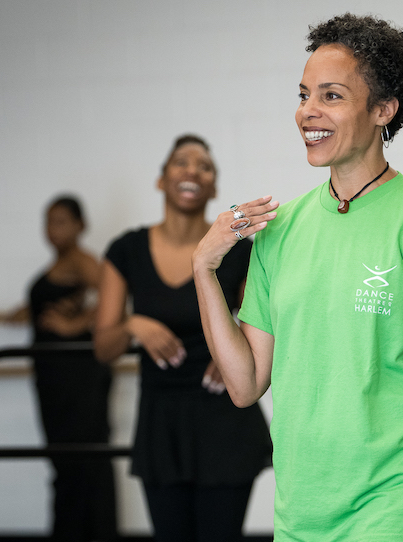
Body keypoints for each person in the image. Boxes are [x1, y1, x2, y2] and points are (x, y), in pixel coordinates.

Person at [191, 14, 403, 542]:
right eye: (304, 93)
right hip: (303, 511)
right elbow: (245, 385)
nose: (308, 111)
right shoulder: (280, 230)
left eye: (331, 96)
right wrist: (205, 270)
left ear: (383, 110)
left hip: (400, 504)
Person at [93, 135, 271, 542]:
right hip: (162, 425)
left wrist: (233, 348)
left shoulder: (239, 250)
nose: (192, 170)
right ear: (161, 181)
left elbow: (267, 325)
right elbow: (104, 347)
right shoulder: (127, 250)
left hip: (225, 423)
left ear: (214, 189)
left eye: (204, 166)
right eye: (181, 162)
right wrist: (133, 324)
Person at [16, 195, 117, 542]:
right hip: (53, 376)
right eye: (48, 221)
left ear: (80, 226)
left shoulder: (81, 260)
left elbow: (113, 294)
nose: (52, 229)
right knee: (65, 462)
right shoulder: (60, 263)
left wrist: (75, 326)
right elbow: (61, 299)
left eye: (61, 221)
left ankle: (91, 533)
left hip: (77, 377)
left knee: (84, 461)